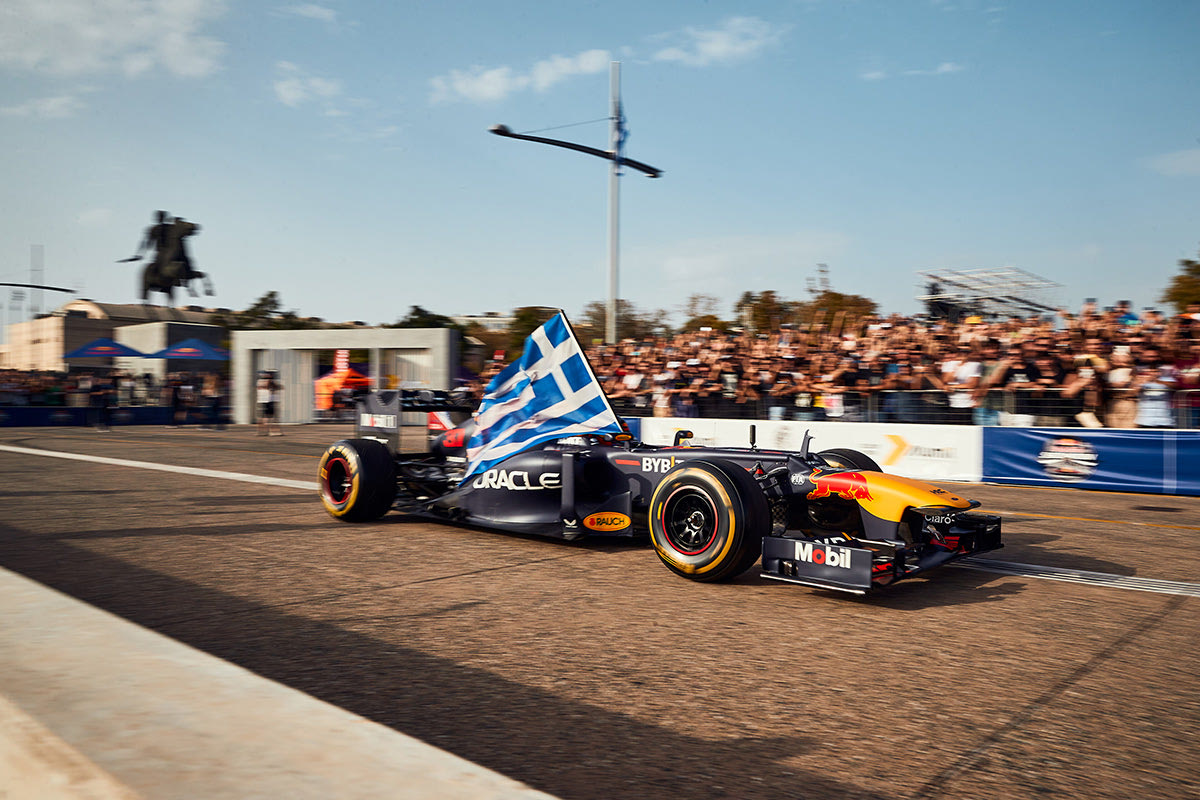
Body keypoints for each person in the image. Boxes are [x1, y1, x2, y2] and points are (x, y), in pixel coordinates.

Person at [257, 371, 282, 436]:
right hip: (267, 401)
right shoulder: (268, 381)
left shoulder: (262, 381)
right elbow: (270, 387)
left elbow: (277, 387)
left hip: (266, 400)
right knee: (269, 417)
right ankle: (269, 431)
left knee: (266, 417)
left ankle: (263, 432)